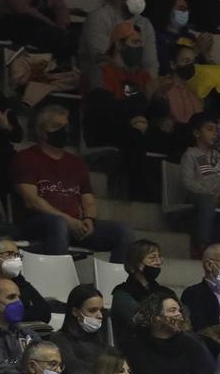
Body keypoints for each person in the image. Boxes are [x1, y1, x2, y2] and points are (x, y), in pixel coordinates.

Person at [13, 102, 132, 261]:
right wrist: (68, 220)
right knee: (58, 224)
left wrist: (88, 219)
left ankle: (120, 283)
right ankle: (58, 277)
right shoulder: (26, 158)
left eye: (66, 126)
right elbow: (31, 201)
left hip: (74, 225)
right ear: (41, 130)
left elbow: (88, 200)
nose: (64, 130)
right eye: (57, 126)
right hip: (38, 223)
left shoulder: (76, 163)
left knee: (122, 231)